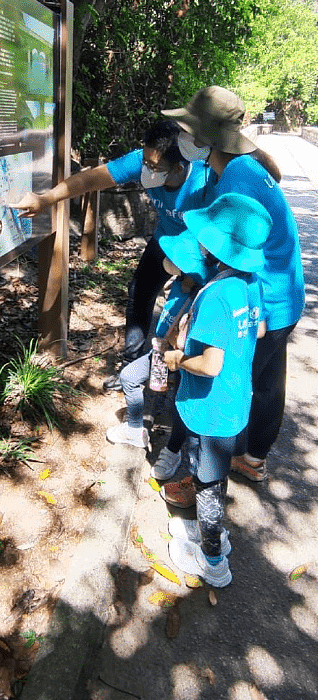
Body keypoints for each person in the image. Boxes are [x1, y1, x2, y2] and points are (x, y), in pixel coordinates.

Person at [159, 86, 304, 500]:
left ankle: (205, 480)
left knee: (223, 389)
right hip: (281, 298)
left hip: (261, 301)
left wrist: (182, 272)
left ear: (206, 137)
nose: (183, 138)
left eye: (188, 129)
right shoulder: (245, 167)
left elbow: (219, 249)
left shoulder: (235, 181)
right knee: (267, 383)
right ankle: (252, 458)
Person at [9, 120, 216, 390]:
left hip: (200, 247)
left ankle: (183, 370)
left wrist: (190, 277)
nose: (146, 171)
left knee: (188, 308)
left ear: (179, 167)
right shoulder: (144, 161)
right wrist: (46, 199)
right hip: (166, 238)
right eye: (145, 162)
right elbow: (91, 178)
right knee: (139, 291)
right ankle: (131, 367)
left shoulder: (205, 180)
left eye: (154, 168)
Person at [161, 192, 271, 587]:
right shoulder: (250, 284)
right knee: (215, 477)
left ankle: (213, 562)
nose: (201, 243)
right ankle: (213, 536)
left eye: (206, 237)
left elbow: (210, 365)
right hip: (235, 402)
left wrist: (177, 360)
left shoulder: (215, 297)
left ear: (218, 247)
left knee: (207, 489)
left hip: (209, 409)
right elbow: (257, 329)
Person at [105, 229, 215, 452]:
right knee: (129, 377)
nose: (174, 266)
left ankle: (175, 450)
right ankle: (135, 428)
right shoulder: (179, 284)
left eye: (181, 263)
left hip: (184, 356)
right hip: (162, 351)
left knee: (181, 403)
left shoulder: (203, 297)